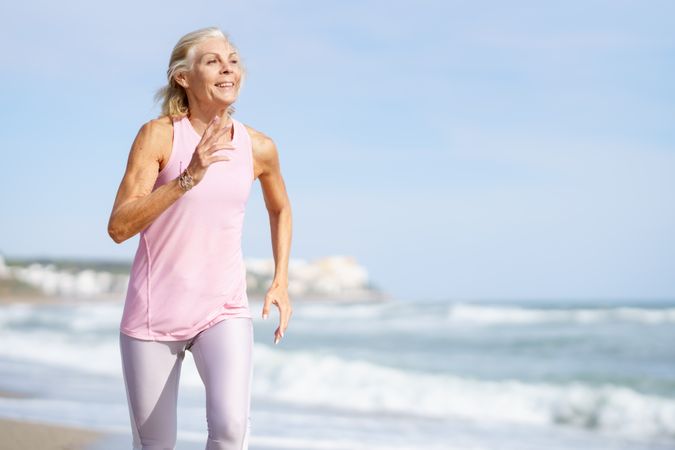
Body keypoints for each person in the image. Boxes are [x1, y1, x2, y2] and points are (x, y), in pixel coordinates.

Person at [107, 27, 293, 450]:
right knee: (156, 445)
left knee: (230, 430)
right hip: (154, 314)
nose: (228, 67)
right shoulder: (159, 136)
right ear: (183, 77)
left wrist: (280, 279)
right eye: (212, 61)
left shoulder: (259, 147)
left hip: (222, 309)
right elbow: (119, 227)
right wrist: (188, 176)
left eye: (232, 59)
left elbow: (280, 208)